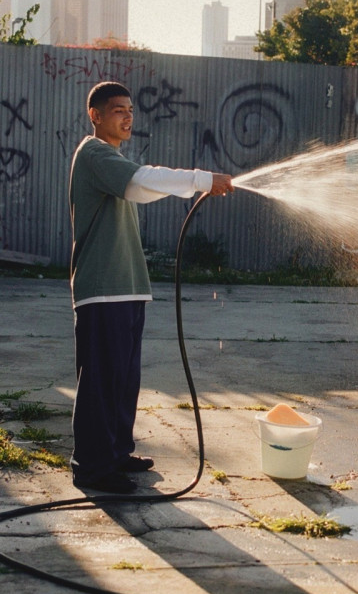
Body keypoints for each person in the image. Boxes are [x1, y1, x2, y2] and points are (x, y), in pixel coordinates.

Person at [69, 80, 234, 495]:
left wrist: (195, 183)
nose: (128, 116)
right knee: (101, 381)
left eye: (130, 110)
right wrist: (201, 178)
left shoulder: (114, 159)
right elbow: (142, 183)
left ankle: (116, 453)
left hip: (127, 287)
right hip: (101, 288)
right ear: (96, 116)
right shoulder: (94, 154)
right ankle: (91, 467)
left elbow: (144, 188)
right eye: (117, 110)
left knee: (123, 379)